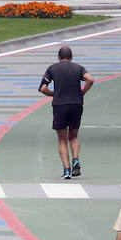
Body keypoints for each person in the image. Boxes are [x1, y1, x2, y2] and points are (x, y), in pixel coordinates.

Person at [38, 45, 95, 180]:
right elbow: (90, 79)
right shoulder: (78, 68)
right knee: (73, 136)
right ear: (71, 57)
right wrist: (82, 92)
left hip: (59, 105)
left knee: (62, 139)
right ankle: (76, 160)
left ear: (59, 57)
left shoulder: (52, 69)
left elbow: (43, 88)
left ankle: (66, 170)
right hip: (76, 104)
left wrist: (53, 94)